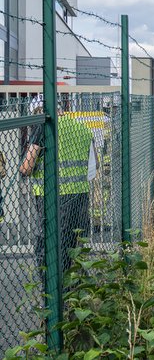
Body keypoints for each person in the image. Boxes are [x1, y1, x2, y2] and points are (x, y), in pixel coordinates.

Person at [20, 95, 96, 279]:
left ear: (39, 112)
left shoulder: (43, 129)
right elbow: (94, 168)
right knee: (72, 247)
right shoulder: (83, 129)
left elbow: (27, 167)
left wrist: (23, 169)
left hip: (51, 198)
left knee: (47, 247)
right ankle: (73, 292)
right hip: (80, 196)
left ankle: (52, 295)